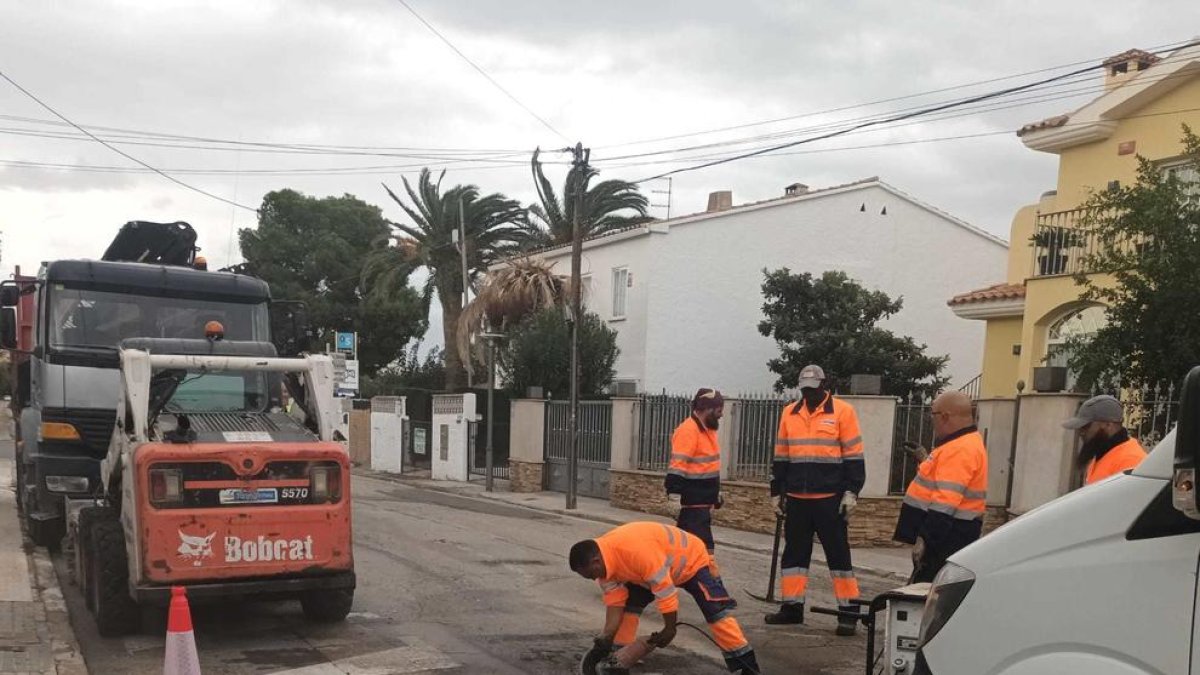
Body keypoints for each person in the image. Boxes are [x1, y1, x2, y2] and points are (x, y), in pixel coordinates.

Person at [569, 522, 761, 674]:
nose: (594, 579)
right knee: (629, 607)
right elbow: (615, 603)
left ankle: (746, 665)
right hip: (650, 574)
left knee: (716, 613)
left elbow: (665, 591)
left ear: (595, 561)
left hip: (691, 561)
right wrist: (606, 636)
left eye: (590, 574)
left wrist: (669, 628)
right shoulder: (604, 569)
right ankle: (619, 658)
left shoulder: (634, 552)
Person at [765, 364, 864, 635]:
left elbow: (854, 457)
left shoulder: (843, 412)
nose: (808, 394)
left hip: (829, 499)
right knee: (795, 557)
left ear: (823, 386)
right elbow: (782, 456)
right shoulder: (790, 413)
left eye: (813, 389)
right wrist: (776, 492)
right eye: (804, 390)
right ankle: (792, 608)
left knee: (838, 556)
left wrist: (851, 492)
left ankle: (848, 612)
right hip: (797, 498)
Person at [893, 391, 988, 583]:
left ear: (945, 416)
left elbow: (945, 501)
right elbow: (941, 481)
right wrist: (924, 458)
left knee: (927, 593)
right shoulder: (960, 444)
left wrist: (926, 539)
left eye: (932, 414)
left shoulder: (959, 449)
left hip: (947, 537)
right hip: (952, 533)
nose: (931, 420)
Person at [665, 388, 725, 573]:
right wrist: (674, 497)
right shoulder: (688, 431)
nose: (722, 414)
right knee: (704, 550)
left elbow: (707, 466)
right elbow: (678, 466)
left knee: (681, 550)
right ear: (707, 409)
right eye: (719, 410)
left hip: (702, 503)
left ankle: (645, 582)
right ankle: (715, 593)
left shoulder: (707, 430)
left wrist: (716, 493)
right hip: (693, 505)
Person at [1063, 394, 1147, 485]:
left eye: (1086, 427)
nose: (1081, 432)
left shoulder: (1130, 460)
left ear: (1108, 425)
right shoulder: (1103, 452)